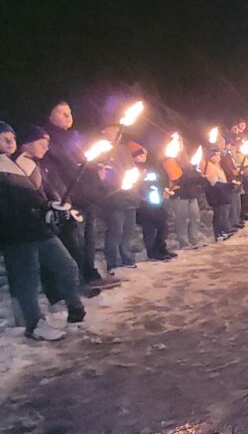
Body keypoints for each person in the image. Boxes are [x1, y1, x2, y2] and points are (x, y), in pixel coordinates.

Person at [1, 124, 86, 340]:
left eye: (12, 136)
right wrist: (39, 211)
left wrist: (54, 207)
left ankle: (76, 311)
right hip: (16, 234)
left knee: (67, 266)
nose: (10, 141)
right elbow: (9, 205)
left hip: (40, 229)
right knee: (27, 280)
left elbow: (44, 193)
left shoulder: (26, 163)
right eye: (3, 137)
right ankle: (33, 324)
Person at [40, 100, 111, 289]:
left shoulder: (73, 138)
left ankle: (90, 274)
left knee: (89, 238)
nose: (68, 116)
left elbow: (81, 164)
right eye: (61, 112)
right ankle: (80, 280)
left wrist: (95, 170)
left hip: (87, 195)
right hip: (71, 196)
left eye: (69, 112)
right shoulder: (49, 141)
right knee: (76, 240)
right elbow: (62, 171)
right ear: (50, 116)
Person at [100, 139, 143, 273]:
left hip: (130, 197)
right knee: (115, 231)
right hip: (115, 199)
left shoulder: (124, 148)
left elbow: (132, 170)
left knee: (128, 231)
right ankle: (113, 262)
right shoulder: (102, 149)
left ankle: (127, 257)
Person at [164, 138, 206, 250]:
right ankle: (184, 243)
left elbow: (192, 176)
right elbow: (177, 179)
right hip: (179, 194)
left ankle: (194, 240)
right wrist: (192, 177)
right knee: (182, 219)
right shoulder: (170, 161)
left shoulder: (186, 162)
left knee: (195, 217)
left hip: (191, 193)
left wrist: (198, 177)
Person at [135, 146, 175, 261]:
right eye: (140, 155)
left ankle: (161, 248)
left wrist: (163, 190)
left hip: (155, 201)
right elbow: (136, 186)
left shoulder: (149, 168)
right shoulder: (133, 169)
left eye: (144, 155)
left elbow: (156, 182)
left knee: (162, 225)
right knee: (149, 228)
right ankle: (152, 252)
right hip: (143, 204)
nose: (143, 157)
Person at [202, 147, 234, 241]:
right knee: (218, 214)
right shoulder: (209, 166)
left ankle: (222, 231)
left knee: (222, 213)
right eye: (217, 155)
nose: (219, 157)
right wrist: (227, 185)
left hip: (221, 193)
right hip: (216, 195)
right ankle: (218, 233)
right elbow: (214, 183)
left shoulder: (218, 166)